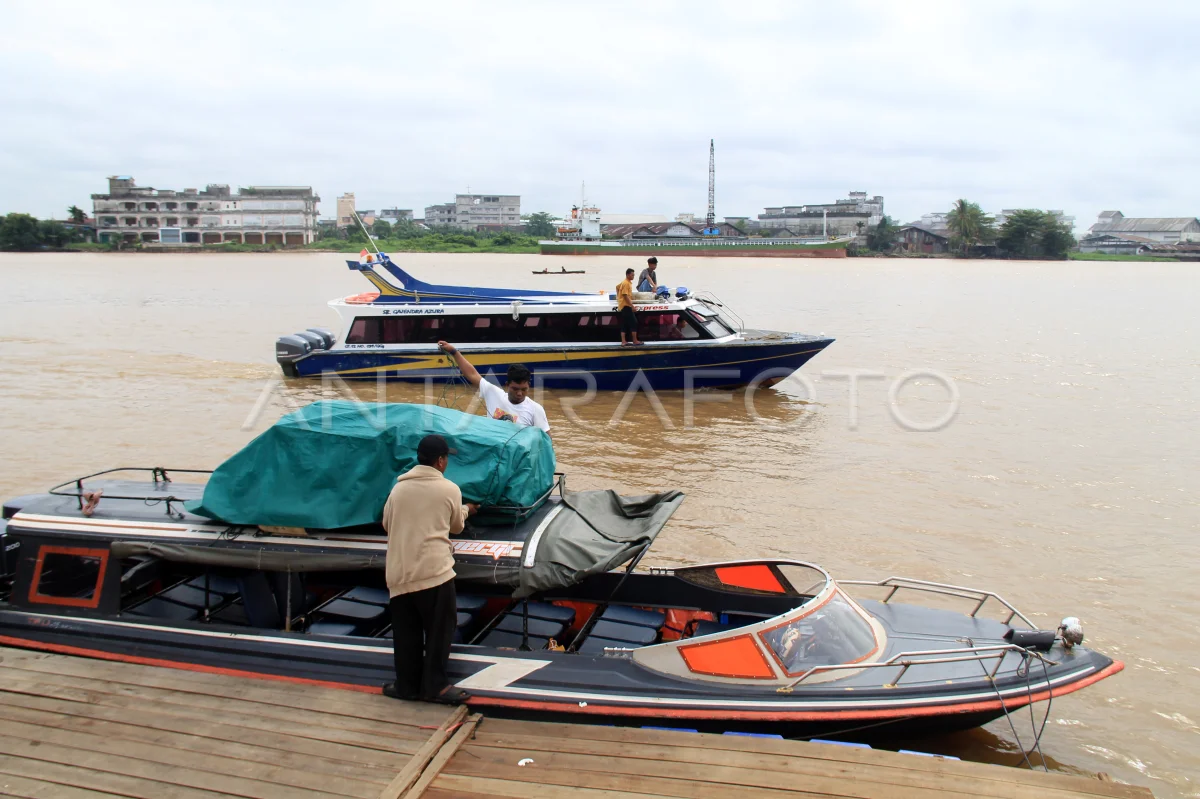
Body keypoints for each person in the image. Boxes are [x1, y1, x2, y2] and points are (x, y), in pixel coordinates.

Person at [382, 434, 477, 704]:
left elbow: (387, 524)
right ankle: (436, 686)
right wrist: (467, 509)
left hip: (399, 573)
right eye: (446, 458)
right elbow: (456, 526)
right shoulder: (449, 489)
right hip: (434, 573)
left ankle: (407, 686)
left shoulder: (398, 489)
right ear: (440, 461)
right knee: (440, 630)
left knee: (406, 633)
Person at [437, 341, 551, 432]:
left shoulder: (536, 409)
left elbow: (547, 441)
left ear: (529, 386)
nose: (519, 393)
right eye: (515, 389)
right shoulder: (494, 393)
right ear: (507, 385)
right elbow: (472, 374)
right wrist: (454, 352)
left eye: (524, 389)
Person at [616, 268, 641, 346]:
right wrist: (632, 306)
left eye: (634, 275)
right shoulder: (626, 283)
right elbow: (625, 295)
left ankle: (623, 341)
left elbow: (617, 287)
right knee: (634, 322)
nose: (633, 276)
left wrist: (618, 298)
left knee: (624, 324)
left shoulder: (624, 282)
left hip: (622, 306)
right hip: (626, 306)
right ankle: (635, 340)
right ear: (627, 275)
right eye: (632, 275)